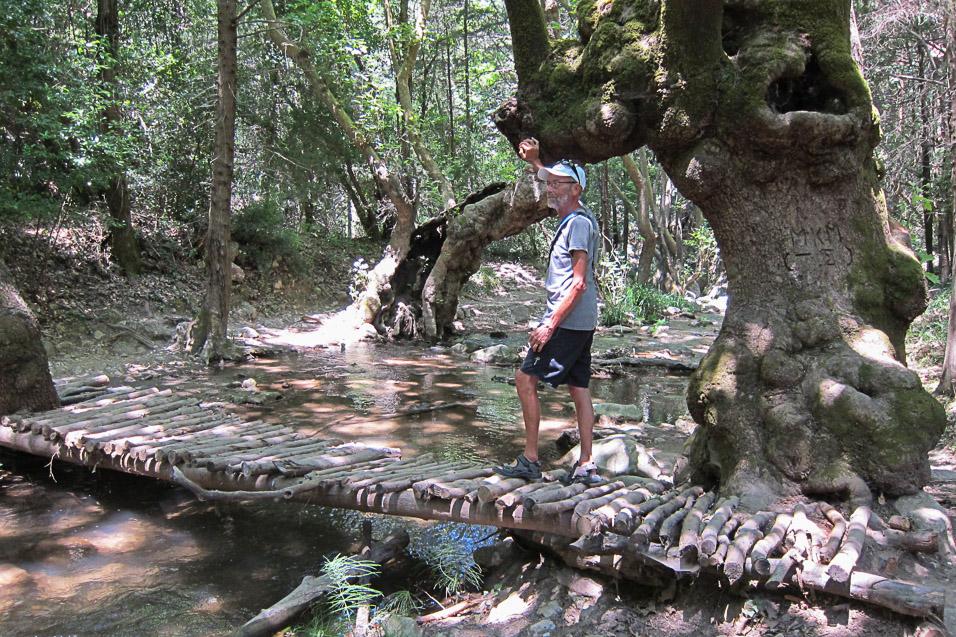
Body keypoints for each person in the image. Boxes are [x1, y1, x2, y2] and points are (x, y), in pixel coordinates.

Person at [495, 138, 601, 485]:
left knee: (525, 379)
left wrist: (549, 326)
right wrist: (537, 161)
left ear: (577, 189)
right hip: (580, 322)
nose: (549, 188)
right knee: (579, 387)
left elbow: (578, 283)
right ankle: (586, 464)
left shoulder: (577, 225)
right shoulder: (576, 216)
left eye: (558, 184)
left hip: (566, 322)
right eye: (550, 182)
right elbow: (550, 178)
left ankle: (529, 460)